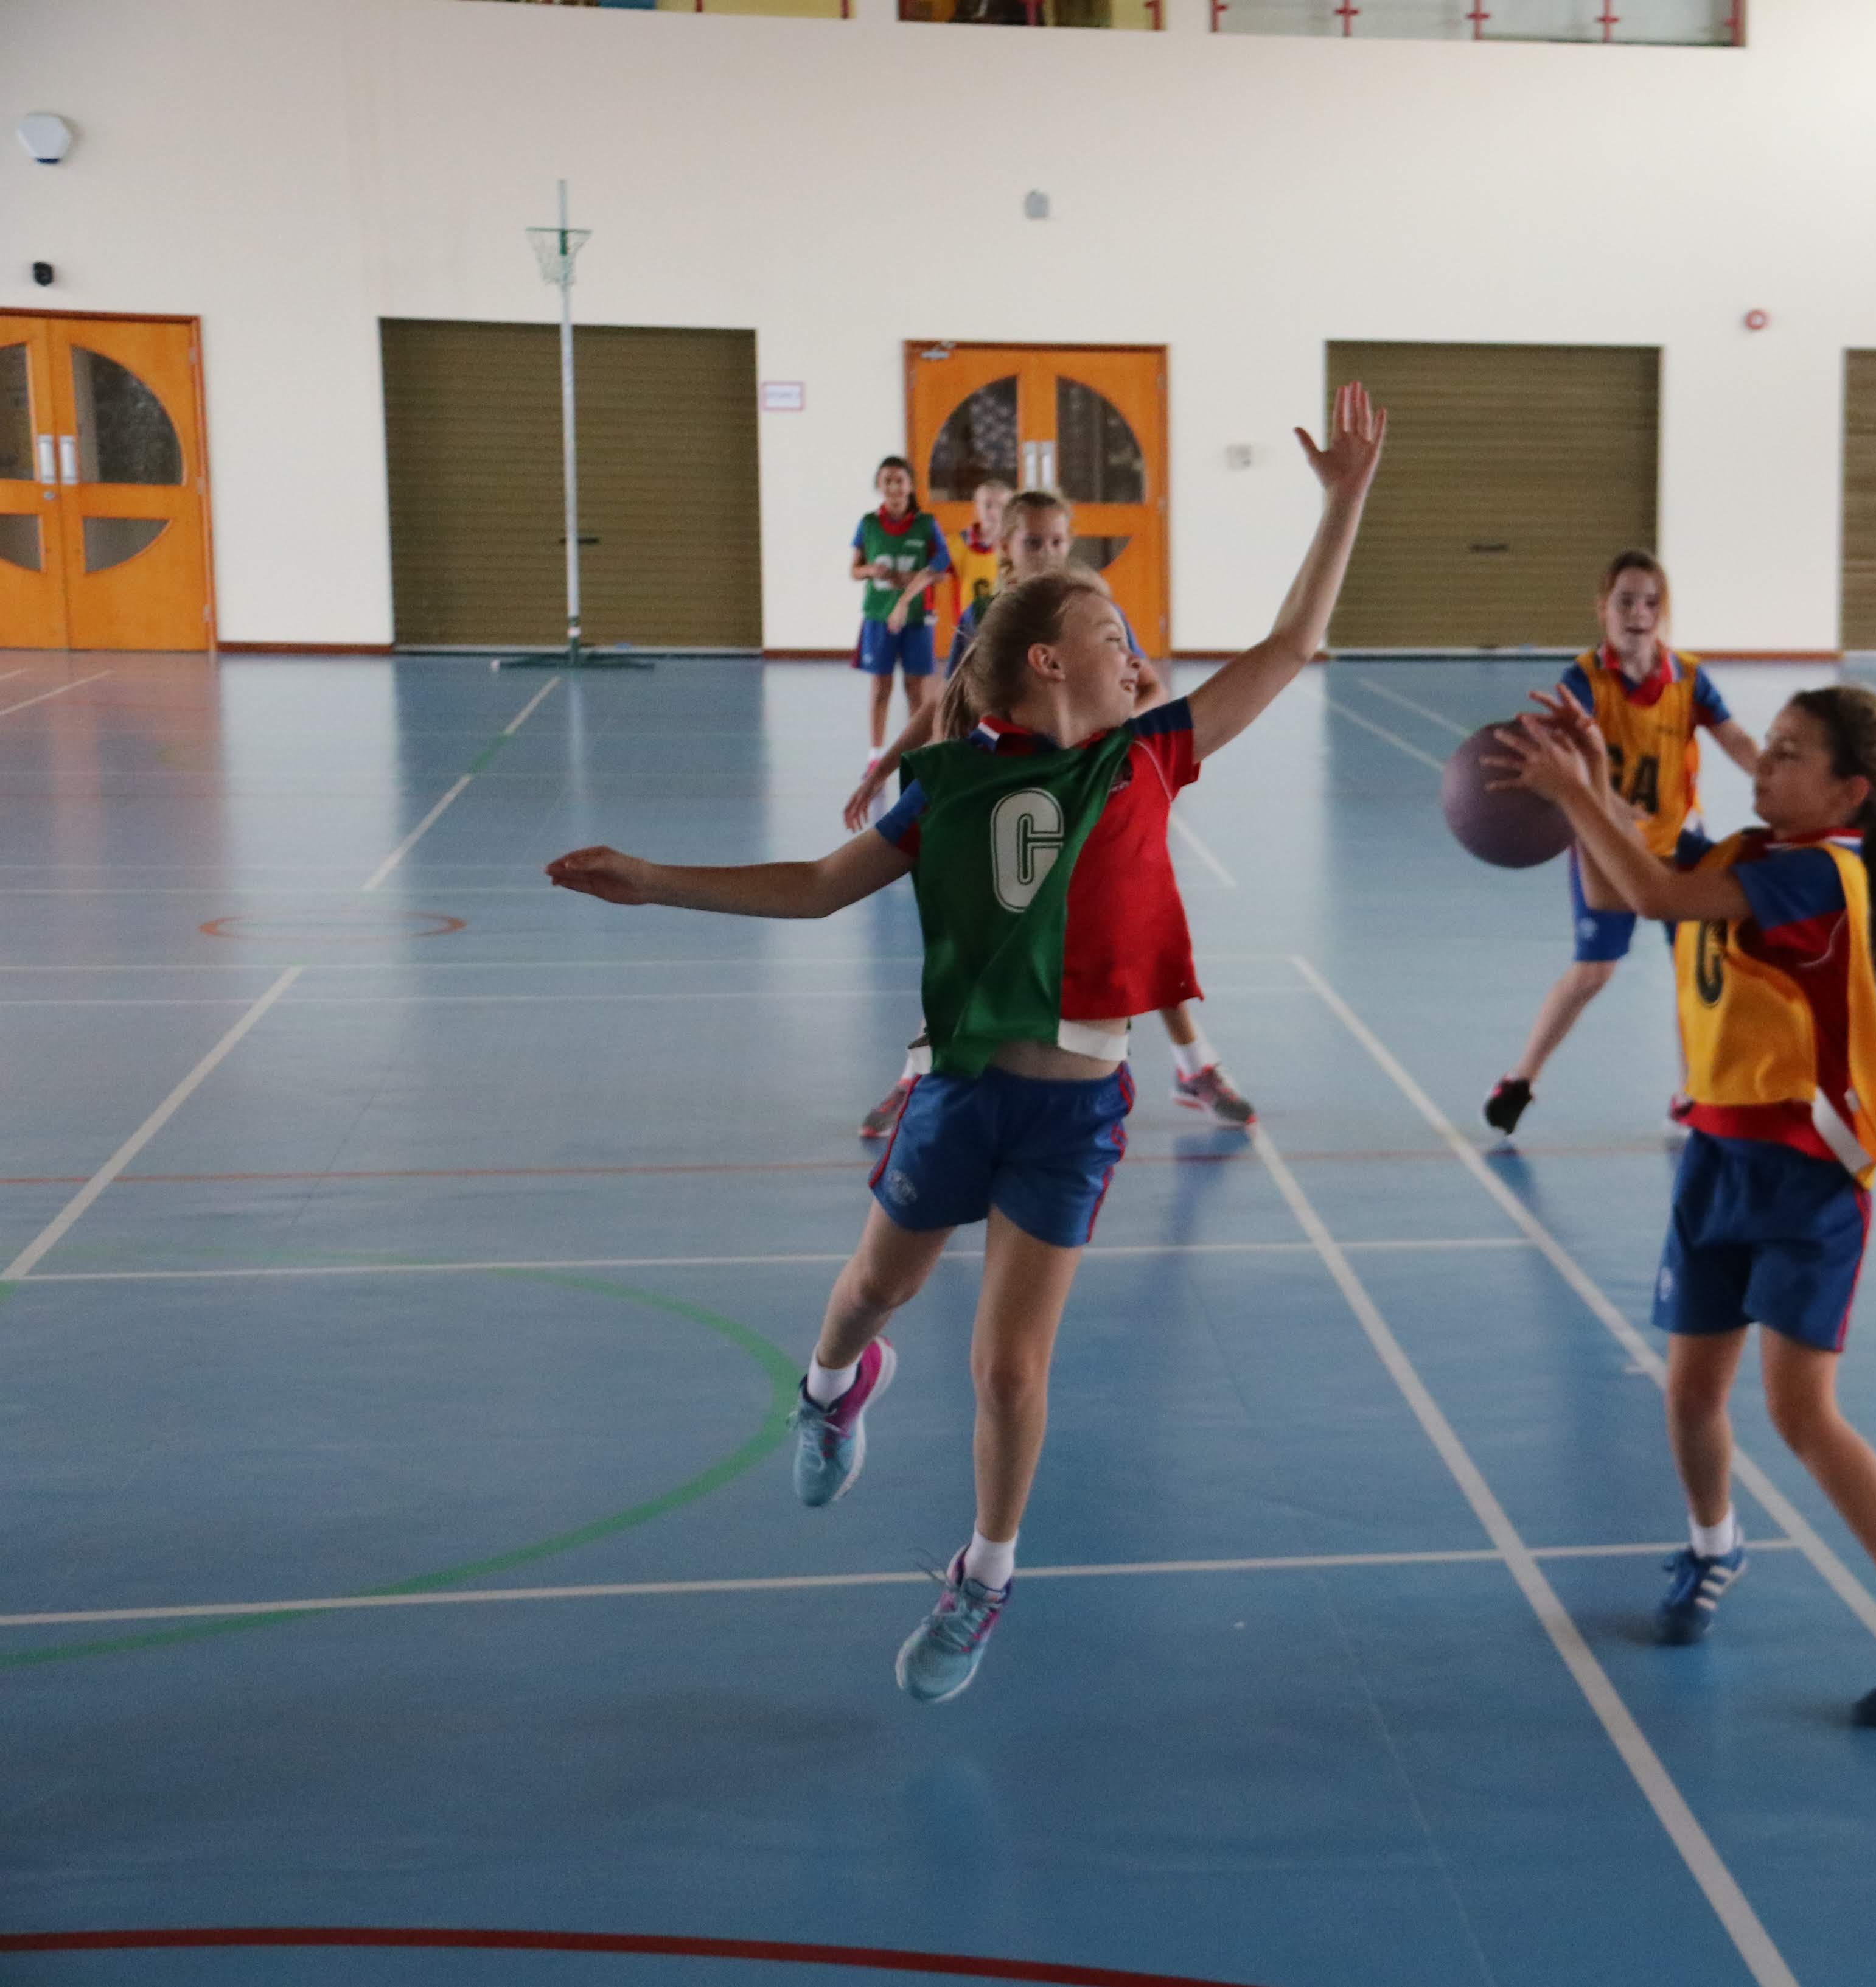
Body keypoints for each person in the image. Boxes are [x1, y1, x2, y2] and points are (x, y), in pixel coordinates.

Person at [543, 383, 1386, 1705]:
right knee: (872, 1293)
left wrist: (1343, 502)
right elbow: (817, 887)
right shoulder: (946, 786)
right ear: (1050, 660)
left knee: (1008, 1367)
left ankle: (984, 1578)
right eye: (1115, 632)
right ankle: (830, 1390)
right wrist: (653, 878)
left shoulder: (1149, 760)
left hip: (1074, 1116)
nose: (1139, 653)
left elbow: (1288, 646)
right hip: (957, 1091)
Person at [1485, 680, 1876, 1727]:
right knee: (1686, 1393)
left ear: (1849, 789)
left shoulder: (1821, 874)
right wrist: (1587, 784)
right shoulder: (1745, 855)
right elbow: (1631, 886)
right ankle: (1714, 1547)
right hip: (1716, 1157)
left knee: (1799, 1412)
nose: (1762, 764)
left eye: (1790, 754)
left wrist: (1577, 795)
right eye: (1766, 748)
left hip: (1806, 1175)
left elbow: (1659, 900)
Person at [851, 491, 1261, 1134]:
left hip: (1091, 796)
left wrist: (1111, 745)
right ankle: (921, 1070)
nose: (1046, 553)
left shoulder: (1092, 612)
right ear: (1005, 545)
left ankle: (1193, 1062)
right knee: (973, 939)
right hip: (1007, 799)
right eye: (1033, 542)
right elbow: (947, 703)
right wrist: (885, 768)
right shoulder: (993, 616)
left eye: (1056, 541)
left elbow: (1145, 687)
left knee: (1138, 929)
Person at [1482, 552, 1759, 1139]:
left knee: (1698, 969)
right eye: (1626, 601)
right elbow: (1569, 767)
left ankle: (1694, 1093)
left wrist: (1771, 778)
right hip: (1607, 842)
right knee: (1593, 972)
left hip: (1681, 844)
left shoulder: (1688, 676)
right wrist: (1603, 809)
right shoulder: (1583, 681)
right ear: (1603, 609)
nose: (1639, 612)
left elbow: (1733, 738)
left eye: (1651, 601)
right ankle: (1521, 1078)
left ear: (1664, 611)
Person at [851, 457, 954, 766]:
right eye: (887, 481)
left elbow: (944, 567)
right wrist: (872, 569)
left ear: (911, 485)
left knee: (915, 689)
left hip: (917, 618)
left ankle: (917, 752)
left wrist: (919, 578)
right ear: (879, 486)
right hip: (879, 617)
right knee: (881, 685)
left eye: (900, 480)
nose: (894, 487)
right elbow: (854, 571)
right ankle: (876, 754)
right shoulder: (868, 524)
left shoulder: (926, 524)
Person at [944, 477, 1016, 670]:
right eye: (988, 505)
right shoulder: (958, 544)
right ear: (977, 507)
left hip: (1006, 627)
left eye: (1001, 506)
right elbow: (932, 573)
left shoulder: (1018, 546)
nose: (993, 512)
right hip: (969, 627)